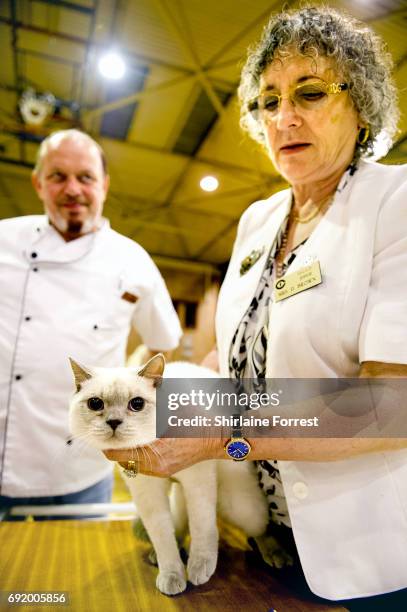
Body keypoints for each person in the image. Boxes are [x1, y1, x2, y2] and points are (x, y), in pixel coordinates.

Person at [103, 6, 407, 609]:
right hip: (264, 535)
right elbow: (234, 358)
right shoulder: (258, 220)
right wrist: (154, 410)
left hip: (368, 549)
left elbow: (392, 404)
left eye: (311, 93)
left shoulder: (395, 203)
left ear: (363, 105)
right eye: (267, 102)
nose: (284, 118)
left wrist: (222, 434)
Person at [0, 129, 182, 519]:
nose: (72, 189)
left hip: (82, 463)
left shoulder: (132, 259)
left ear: (104, 185)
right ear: (37, 182)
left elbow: (163, 342)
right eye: (57, 176)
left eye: (85, 177)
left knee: (79, 571)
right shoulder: (4, 240)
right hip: (5, 447)